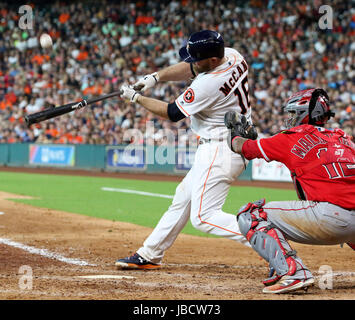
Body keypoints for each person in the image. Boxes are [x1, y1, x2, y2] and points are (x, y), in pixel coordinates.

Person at [115, 30, 257, 269]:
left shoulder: (208, 84)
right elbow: (190, 68)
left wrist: (135, 98)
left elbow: (172, 113)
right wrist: (155, 77)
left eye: (197, 58)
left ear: (211, 60)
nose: (192, 62)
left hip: (220, 148)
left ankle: (269, 240)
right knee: (183, 197)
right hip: (230, 142)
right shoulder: (232, 55)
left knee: (204, 217)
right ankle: (150, 253)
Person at [224, 88, 355, 294]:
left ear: (304, 114)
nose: (290, 118)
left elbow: (244, 148)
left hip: (332, 220)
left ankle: (294, 272)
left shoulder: (293, 136)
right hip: (351, 224)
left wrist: (235, 135)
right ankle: (281, 267)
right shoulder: (344, 139)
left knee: (252, 215)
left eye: (293, 114)